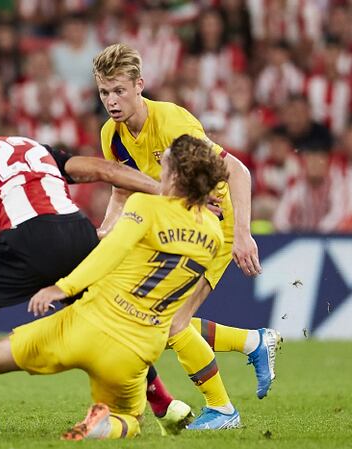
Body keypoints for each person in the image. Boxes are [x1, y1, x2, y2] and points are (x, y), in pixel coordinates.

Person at [0, 134, 229, 440]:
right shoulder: (27, 145)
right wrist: (177, 196)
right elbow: (105, 170)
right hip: (77, 231)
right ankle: (166, 404)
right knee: (113, 326)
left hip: (26, 240)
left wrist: (21, 263)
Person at [92, 43, 281, 429]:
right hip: (179, 228)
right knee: (156, 319)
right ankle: (252, 343)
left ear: (139, 85)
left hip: (216, 225)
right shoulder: (112, 134)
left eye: (119, 91)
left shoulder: (174, 125)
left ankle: (223, 410)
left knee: (172, 322)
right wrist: (106, 230)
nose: (111, 101)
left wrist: (242, 234)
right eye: (104, 92)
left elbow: (238, 171)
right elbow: (121, 188)